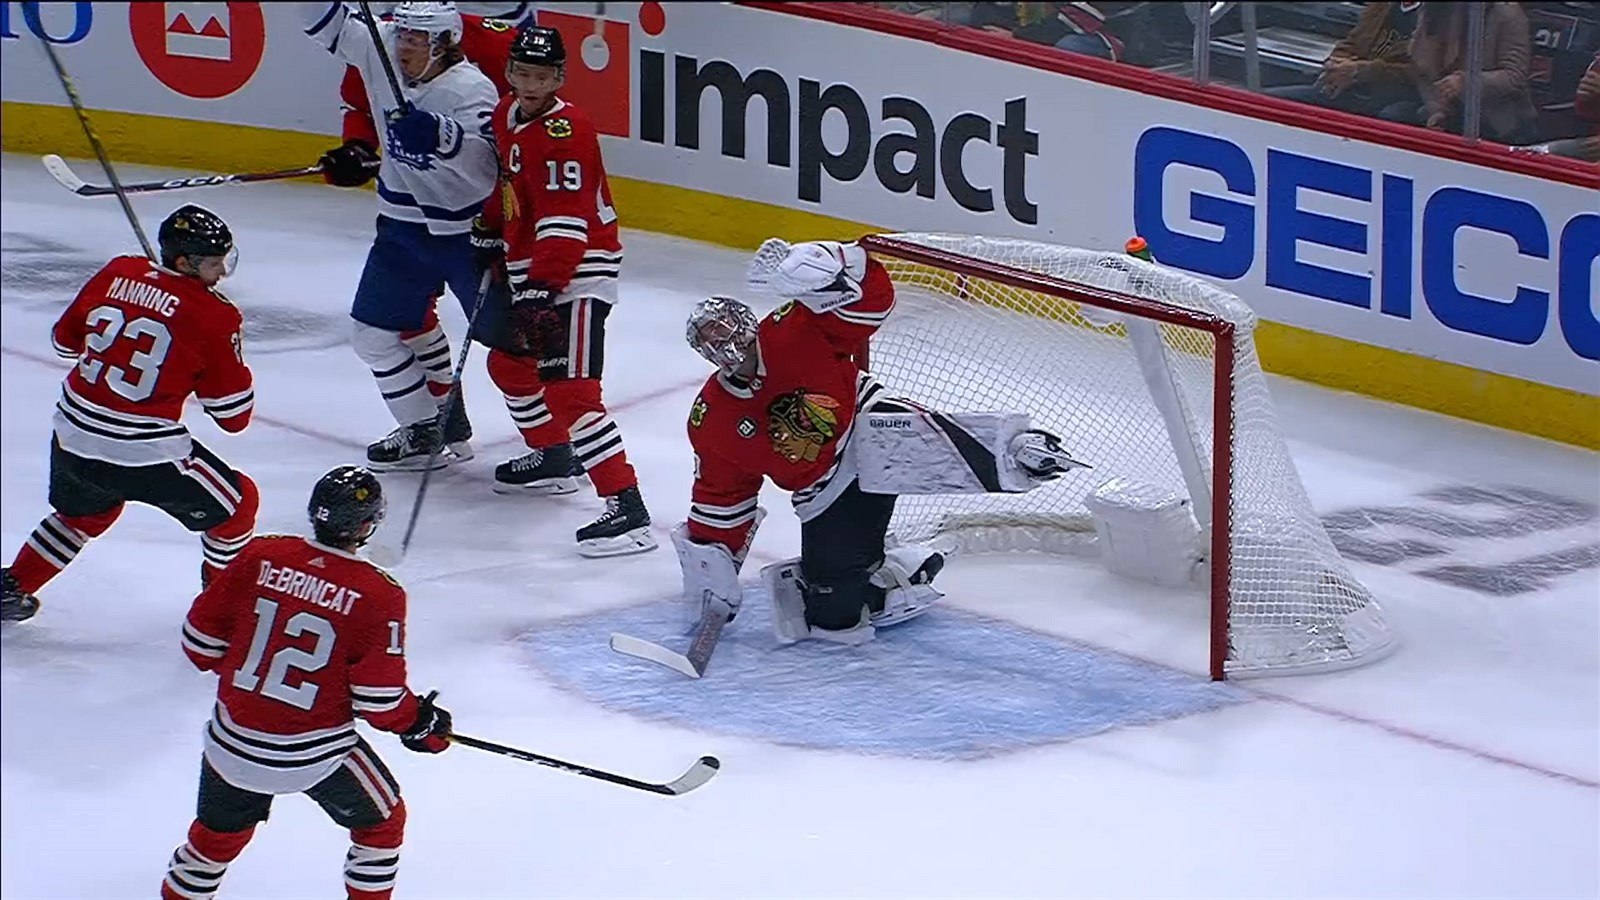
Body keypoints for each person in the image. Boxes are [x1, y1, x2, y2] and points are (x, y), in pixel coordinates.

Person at [677, 239, 1080, 644]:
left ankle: (1014, 450)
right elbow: (722, 498)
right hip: (825, 486)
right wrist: (711, 569)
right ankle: (887, 574)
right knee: (832, 622)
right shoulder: (712, 419)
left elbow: (873, 305)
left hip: (866, 420)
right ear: (704, 352)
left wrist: (839, 264)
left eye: (726, 326)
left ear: (745, 318)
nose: (724, 340)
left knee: (904, 434)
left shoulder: (793, 329)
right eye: (711, 337)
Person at [159, 465, 453, 900]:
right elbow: (379, 699)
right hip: (316, 753)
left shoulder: (261, 555)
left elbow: (199, 644)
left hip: (232, 744)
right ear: (368, 524)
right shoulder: (378, 593)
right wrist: (420, 725)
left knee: (214, 840)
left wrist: (252, 680)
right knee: (382, 826)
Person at [1, 206, 259, 623]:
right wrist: (225, 351)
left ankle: (11, 587)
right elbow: (233, 417)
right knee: (238, 506)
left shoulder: (119, 270)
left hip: (72, 433)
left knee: (86, 513)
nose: (222, 273)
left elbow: (64, 342)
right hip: (142, 452)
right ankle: (221, 605)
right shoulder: (216, 314)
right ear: (184, 263)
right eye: (214, 264)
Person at [472, 24, 656, 558]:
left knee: (572, 393)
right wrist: (491, 225)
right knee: (511, 366)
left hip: (577, 274)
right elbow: (512, 182)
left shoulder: (565, 131)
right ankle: (555, 456)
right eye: (522, 73)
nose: (530, 85)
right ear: (510, 72)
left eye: (541, 76)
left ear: (559, 78)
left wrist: (541, 288)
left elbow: (566, 220)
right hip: (535, 270)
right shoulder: (506, 114)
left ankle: (628, 508)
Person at [299, 1, 500, 470]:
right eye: (402, 35)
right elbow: (317, 18)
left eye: (416, 39)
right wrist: (359, 151)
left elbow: (487, 174)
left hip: (468, 235)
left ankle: (556, 448)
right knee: (372, 334)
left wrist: (444, 139)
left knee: (512, 344)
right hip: (401, 229)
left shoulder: (472, 90)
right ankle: (423, 427)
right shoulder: (381, 47)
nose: (404, 47)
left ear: (444, 44)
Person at [1400, 1, 1537, 144]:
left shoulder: (1506, 13)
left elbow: (1514, 76)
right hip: (1448, 114)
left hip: (1500, 125)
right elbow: (1423, 68)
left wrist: (1465, 83)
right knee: (1396, 115)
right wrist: (1438, 109)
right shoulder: (1435, 9)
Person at [1267, 2, 1423, 121]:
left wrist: (1360, 71)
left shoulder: (1434, 16)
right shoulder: (1381, 6)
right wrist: (1337, 62)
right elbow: (1351, 42)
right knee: (1268, 102)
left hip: (1399, 95)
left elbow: (1422, 74)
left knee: (1392, 116)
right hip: (1352, 86)